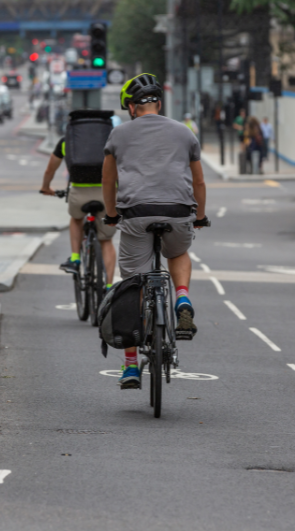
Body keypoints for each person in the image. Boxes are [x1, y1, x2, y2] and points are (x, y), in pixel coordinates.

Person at [102, 73, 209, 389]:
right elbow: (199, 182)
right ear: (159, 104)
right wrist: (199, 217)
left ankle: (132, 367)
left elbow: (108, 181)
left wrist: (111, 215)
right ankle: (182, 300)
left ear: (132, 108)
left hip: (136, 214)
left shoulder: (118, 135)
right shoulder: (184, 133)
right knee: (177, 251)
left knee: (134, 284)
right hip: (178, 212)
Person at [39, 135, 117, 289]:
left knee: (76, 219)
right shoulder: (110, 140)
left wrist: (46, 187)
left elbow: (50, 169)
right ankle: (109, 287)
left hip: (79, 191)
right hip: (106, 192)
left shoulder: (67, 141)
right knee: (106, 240)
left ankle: (75, 259)